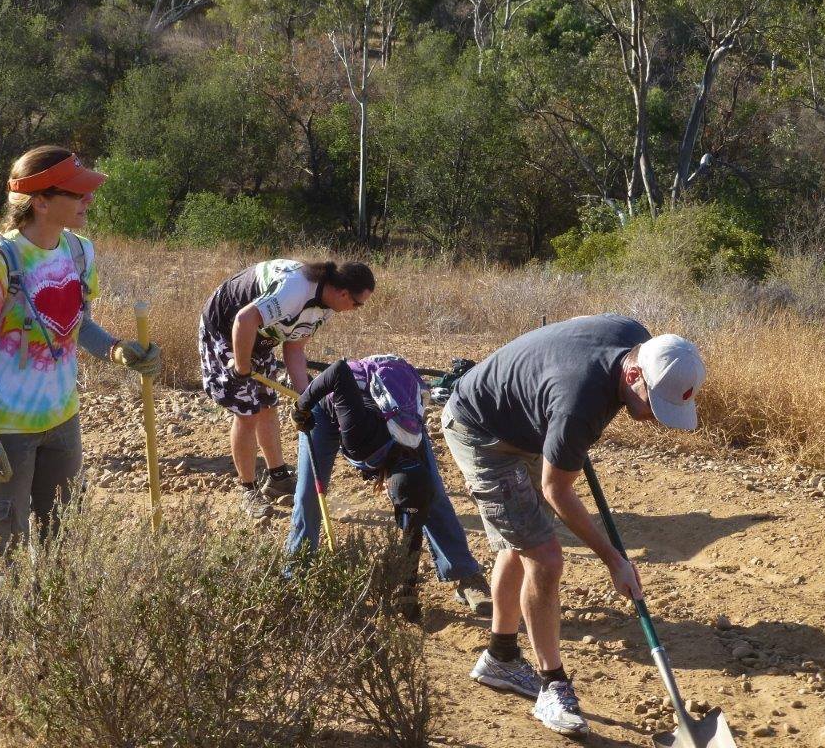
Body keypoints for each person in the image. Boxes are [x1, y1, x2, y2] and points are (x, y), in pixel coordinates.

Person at [441, 314, 706, 737]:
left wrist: (552, 413)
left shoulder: (637, 338)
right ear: (633, 371)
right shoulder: (579, 401)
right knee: (544, 557)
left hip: (526, 421)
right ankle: (553, 685)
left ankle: (500, 658)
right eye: (653, 403)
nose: (655, 417)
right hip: (482, 431)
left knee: (520, 544)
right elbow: (557, 491)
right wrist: (615, 560)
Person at [0, 145, 161, 649]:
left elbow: (80, 326)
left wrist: (118, 352)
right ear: (40, 200)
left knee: (62, 543)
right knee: (3, 550)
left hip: (62, 423)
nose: (89, 198)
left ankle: (53, 654)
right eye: (77, 191)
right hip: (5, 431)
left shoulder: (78, 252)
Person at [287, 357, 494, 617]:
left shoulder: (413, 442)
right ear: (386, 486)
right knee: (309, 495)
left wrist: (406, 591)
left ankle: (466, 574)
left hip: (391, 410)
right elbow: (338, 371)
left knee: (433, 495)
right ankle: (295, 576)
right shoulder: (357, 437)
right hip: (328, 401)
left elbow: (413, 520)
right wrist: (302, 405)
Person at [199, 259, 374, 519]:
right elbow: (244, 319)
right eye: (357, 304)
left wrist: (307, 398)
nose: (355, 310)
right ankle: (247, 490)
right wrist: (242, 367)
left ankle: (278, 478)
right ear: (343, 293)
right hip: (225, 328)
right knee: (247, 411)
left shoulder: (324, 307)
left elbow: (294, 348)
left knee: (268, 405)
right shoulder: (295, 289)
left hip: (259, 335)